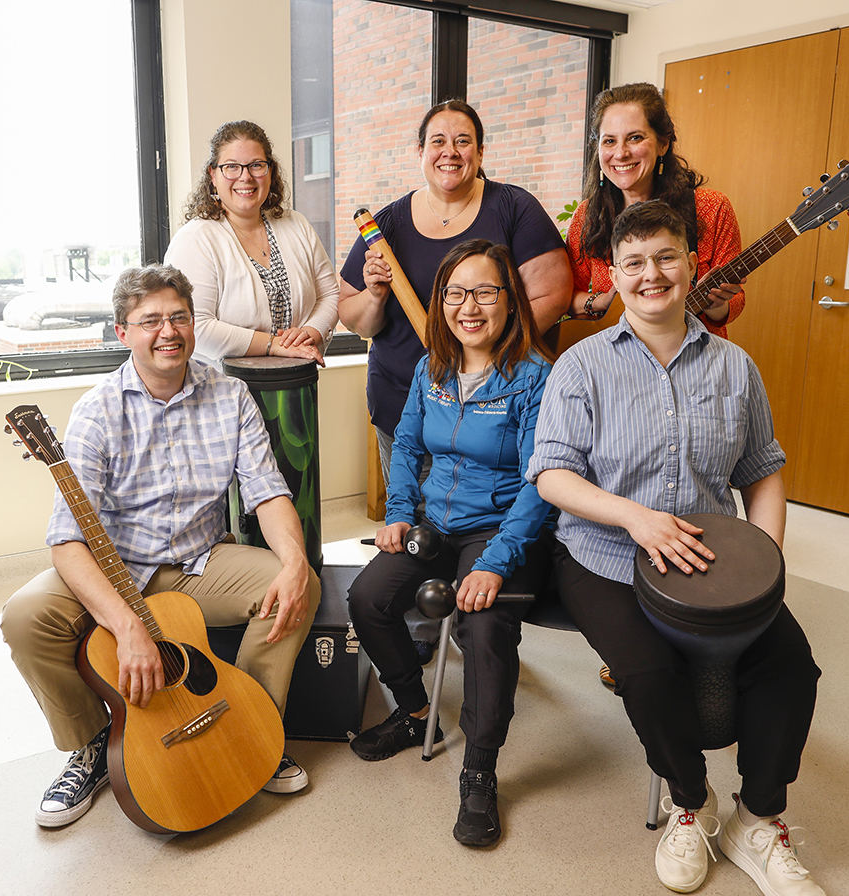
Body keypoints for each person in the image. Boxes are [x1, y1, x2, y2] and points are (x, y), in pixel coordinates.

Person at [528, 202, 824, 896]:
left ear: (693, 264)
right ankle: (690, 803)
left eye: (665, 257)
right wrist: (637, 520)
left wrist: (764, 565)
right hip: (604, 554)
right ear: (613, 274)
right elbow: (553, 474)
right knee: (648, 673)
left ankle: (759, 819)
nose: (651, 274)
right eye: (633, 262)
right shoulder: (580, 366)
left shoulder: (735, 366)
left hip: (713, 560)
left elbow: (762, 472)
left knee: (790, 669)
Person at [1, 264, 321, 829]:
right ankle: (94, 745)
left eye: (179, 317)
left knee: (299, 584)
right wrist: (127, 627)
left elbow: (268, 493)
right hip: (113, 565)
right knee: (25, 617)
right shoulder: (97, 410)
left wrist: (294, 562)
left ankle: (252, 726)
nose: (168, 332)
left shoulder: (231, 396)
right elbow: (68, 541)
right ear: (122, 332)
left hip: (198, 562)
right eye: (150, 321)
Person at [339, 99, 571, 656]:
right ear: (420, 151)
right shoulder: (388, 223)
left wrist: (490, 354)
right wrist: (376, 292)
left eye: (463, 140)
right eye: (437, 141)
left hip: (494, 400)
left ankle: (474, 637)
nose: (450, 152)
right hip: (409, 395)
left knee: (478, 541)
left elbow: (554, 290)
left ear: (481, 151)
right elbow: (357, 319)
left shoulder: (513, 207)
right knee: (414, 531)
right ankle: (421, 636)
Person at [347, 240, 554, 848]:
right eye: (456, 293)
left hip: (500, 530)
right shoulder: (431, 368)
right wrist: (398, 515)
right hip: (434, 522)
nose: (470, 307)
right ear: (440, 302)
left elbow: (542, 481)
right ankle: (416, 714)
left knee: (482, 628)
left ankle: (480, 770)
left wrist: (495, 563)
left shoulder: (535, 378)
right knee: (367, 598)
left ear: (509, 301)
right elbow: (408, 446)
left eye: (485, 292)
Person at [566, 82, 745, 339]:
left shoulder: (711, 208)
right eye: (609, 141)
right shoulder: (586, 216)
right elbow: (567, 296)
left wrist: (716, 304)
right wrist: (603, 301)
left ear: (663, 144)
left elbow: (735, 301)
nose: (621, 153)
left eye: (635, 138)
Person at [164, 120, 339, 369]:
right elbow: (194, 324)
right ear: (213, 175)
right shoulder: (195, 239)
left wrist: (308, 334)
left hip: (295, 382)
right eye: (231, 167)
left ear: (270, 171)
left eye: (256, 165)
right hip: (221, 387)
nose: (245, 177)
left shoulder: (296, 224)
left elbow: (330, 294)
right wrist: (273, 345)